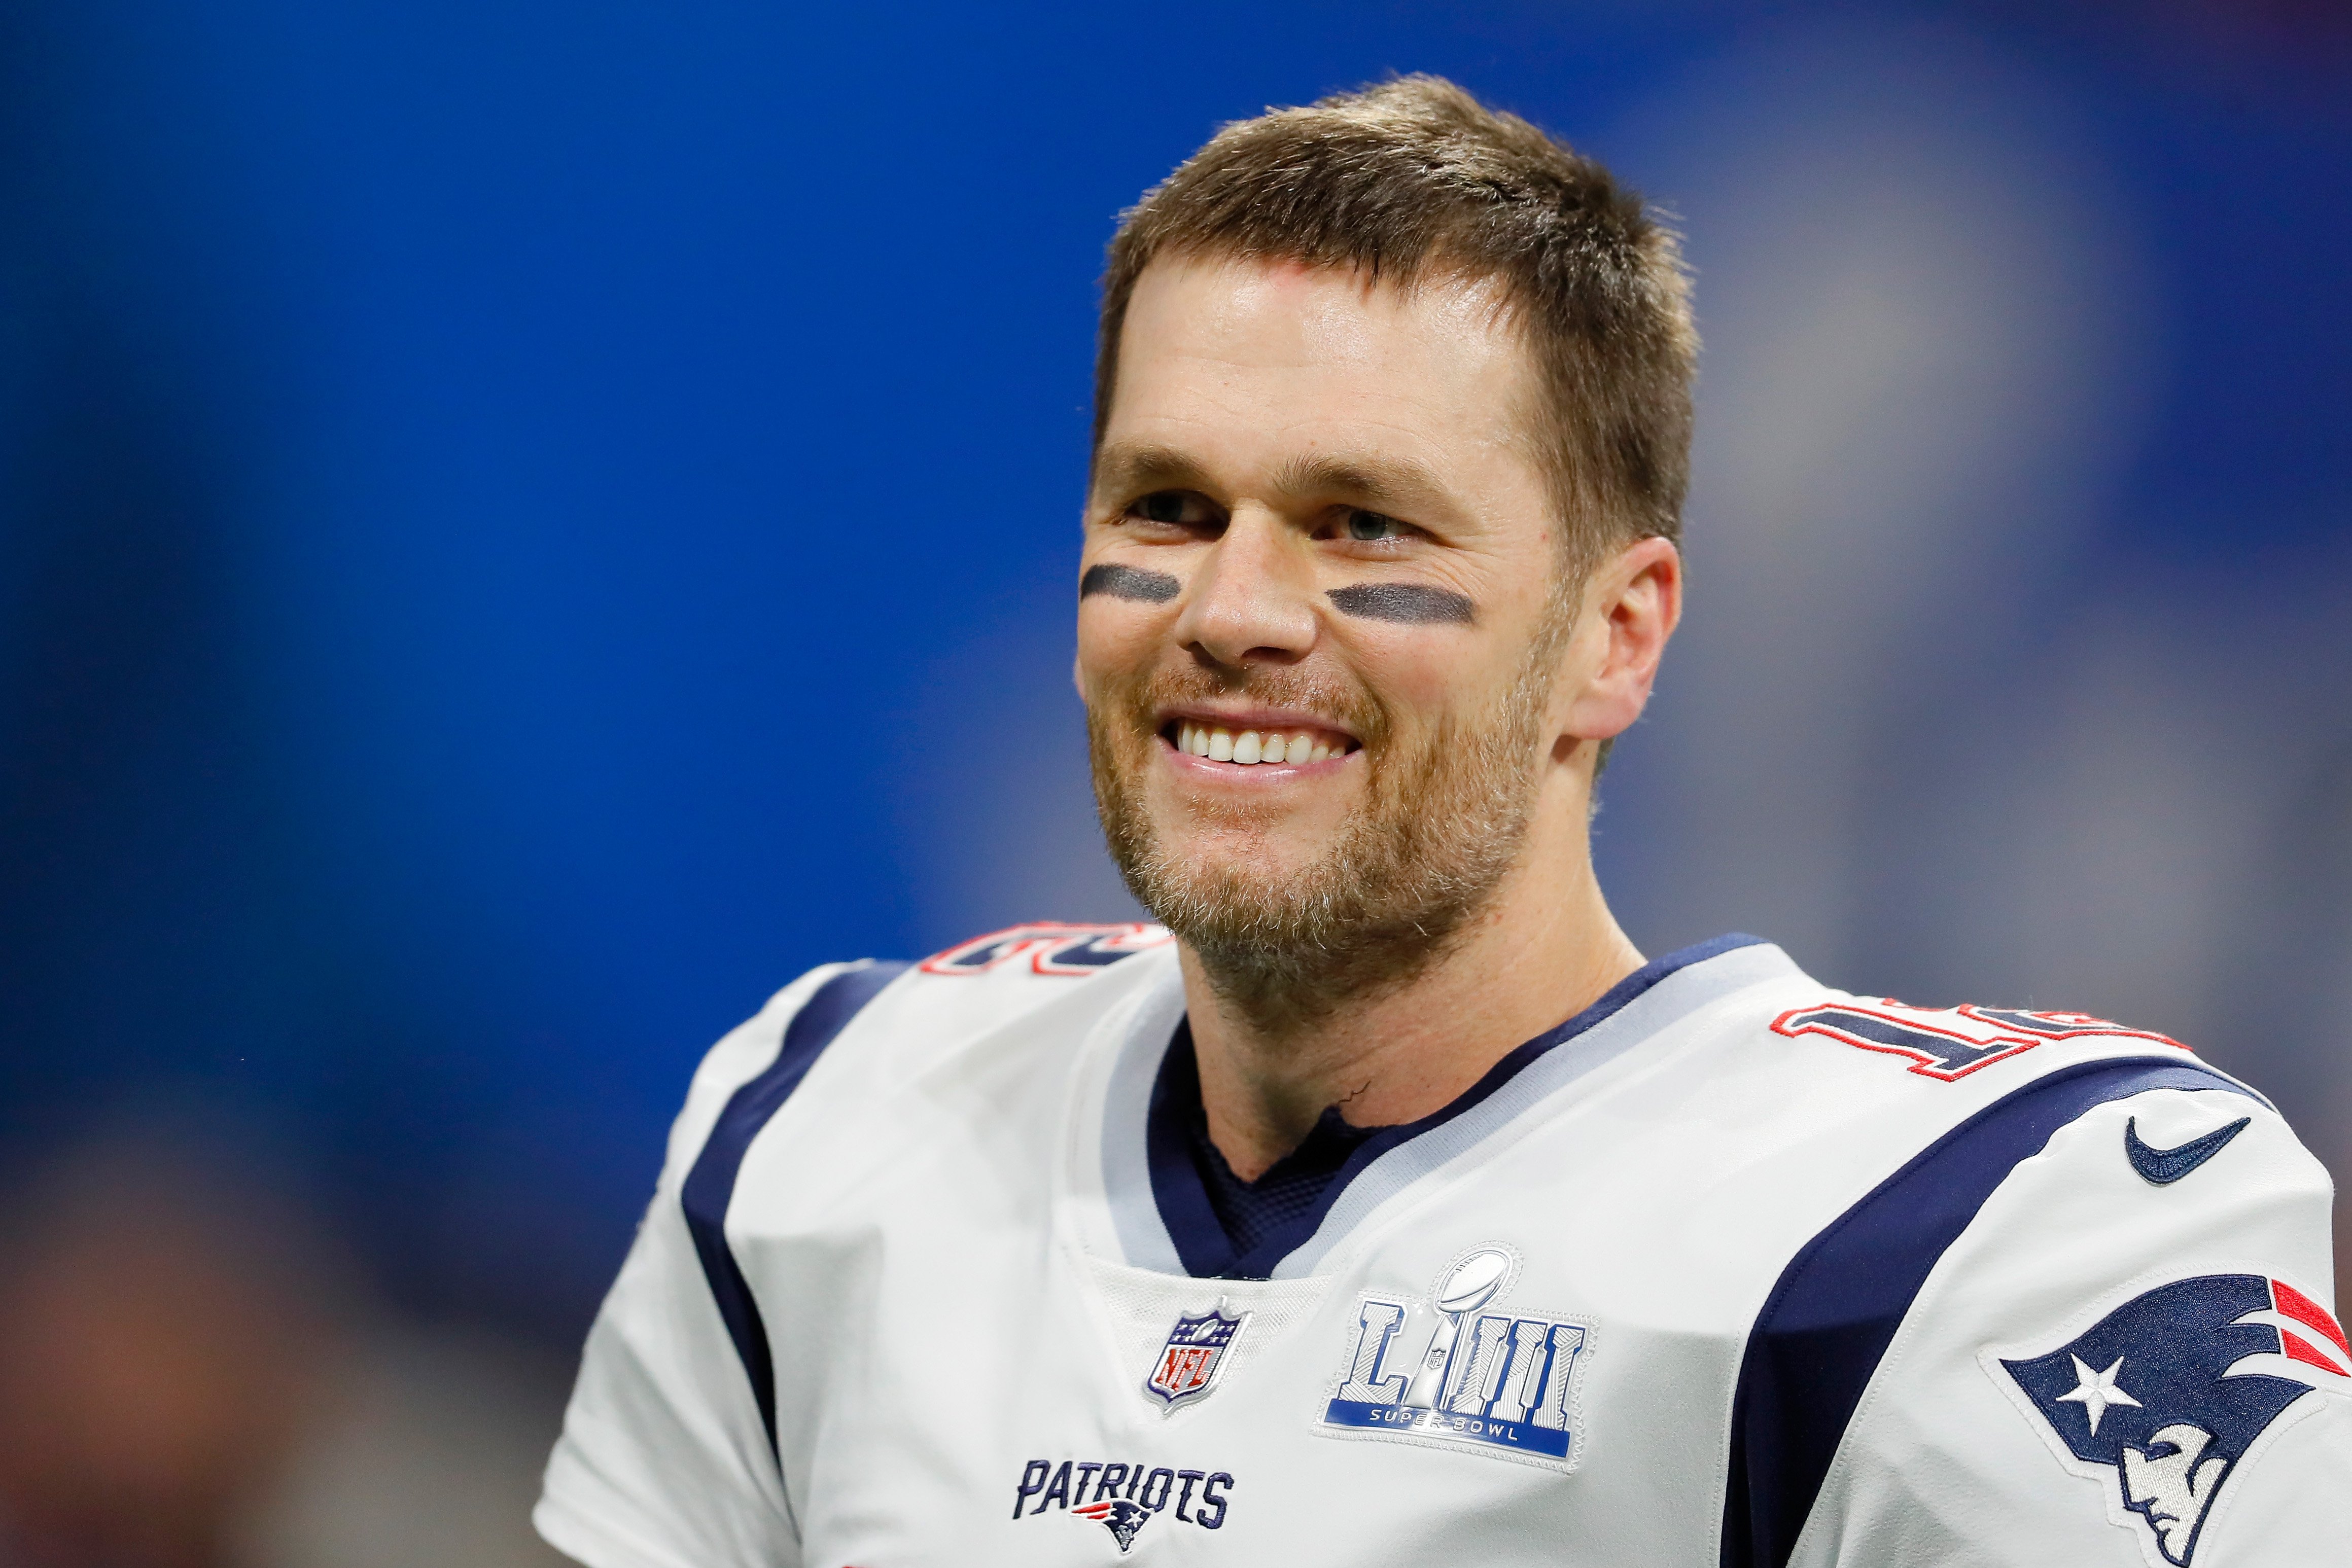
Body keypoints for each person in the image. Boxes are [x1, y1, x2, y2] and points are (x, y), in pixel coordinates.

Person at [534, 77, 2349, 1567]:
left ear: (1614, 637)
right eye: (1166, 504)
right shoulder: (827, 1120)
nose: (1231, 607)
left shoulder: (1970, 1237)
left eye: (1363, 526)